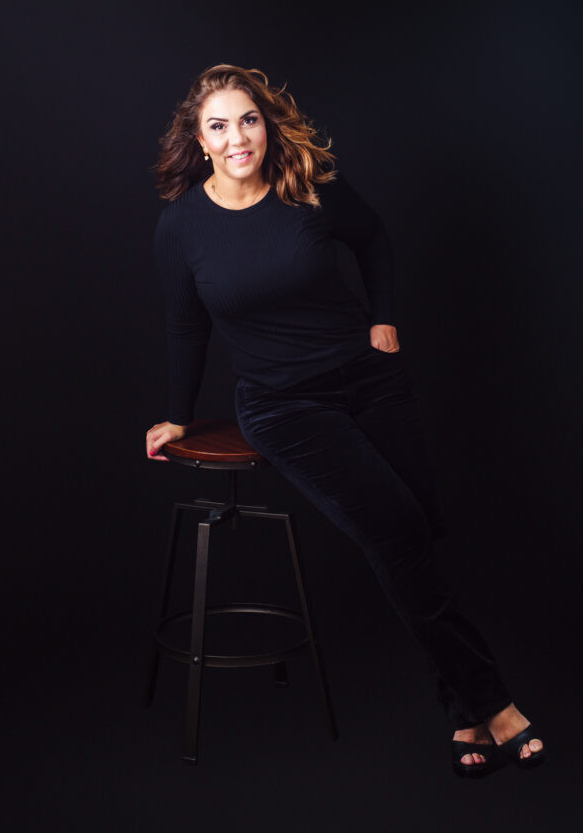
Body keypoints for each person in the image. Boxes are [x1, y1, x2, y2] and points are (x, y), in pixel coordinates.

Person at [145, 64, 546, 777]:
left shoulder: (308, 188)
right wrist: (175, 418)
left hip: (368, 382)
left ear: (266, 125)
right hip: (285, 406)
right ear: (198, 141)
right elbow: (185, 328)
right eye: (219, 125)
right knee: (397, 534)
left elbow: (375, 240)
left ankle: (462, 719)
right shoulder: (181, 225)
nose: (237, 137)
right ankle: (494, 706)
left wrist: (383, 317)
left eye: (248, 120)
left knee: (419, 527)